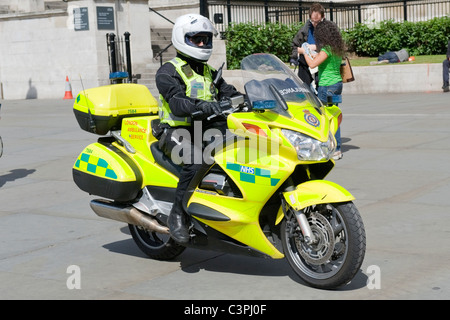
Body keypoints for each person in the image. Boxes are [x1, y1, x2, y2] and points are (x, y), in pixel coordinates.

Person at [155, 13, 242, 243]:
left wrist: (256, 100)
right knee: (196, 160)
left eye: (206, 39)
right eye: (197, 39)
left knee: (243, 147)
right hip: (174, 132)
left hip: (205, 129)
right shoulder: (168, 71)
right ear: (183, 39)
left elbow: (231, 94)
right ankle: (177, 215)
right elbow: (176, 102)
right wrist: (205, 105)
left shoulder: (210, 73)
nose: (203, 44)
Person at [298, 20, 346, 160]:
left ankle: (333, 148)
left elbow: (312, 63)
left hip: (327, 85)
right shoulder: (335, 48)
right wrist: (311, 53)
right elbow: (319, 59)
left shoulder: (326, 49)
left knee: (326, 118)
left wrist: (305, 51)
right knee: (334, 116)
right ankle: (336, 148)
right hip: (337, 83)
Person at [290, 3, 325, 88]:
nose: (315, 24)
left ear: (323, 17)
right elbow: (294, 46)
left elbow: (334, 45)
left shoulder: (328, 28)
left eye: (318, 21)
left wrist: (316, 47)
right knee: (304, 86)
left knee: (320, 88)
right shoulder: (305, 29)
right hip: (306, 64)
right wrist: (302, 50)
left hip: (322, 63)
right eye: (312, 21)